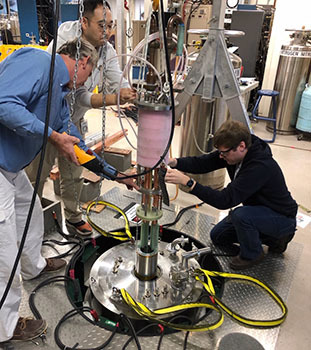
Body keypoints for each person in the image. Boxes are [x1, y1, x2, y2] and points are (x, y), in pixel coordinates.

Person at [0, 38, 137, 345]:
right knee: (3, 250)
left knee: (30, 210)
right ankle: (5, 328)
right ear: (83, 62)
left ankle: (33, 265)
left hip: (8, 170)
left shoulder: (60, 98)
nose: (90, 81)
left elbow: (77, 145)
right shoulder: (37, 62)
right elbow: (2, 103)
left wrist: (118, 176)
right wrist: (50, 136)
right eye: (92, 73)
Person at [26, 0, 137, 236]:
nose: (106, 32)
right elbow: (77, 93)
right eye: (101, 25)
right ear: (83, 22)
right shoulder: (67, 43)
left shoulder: (106, 48)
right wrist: (112, 99)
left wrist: (131, 94)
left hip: (71, 120)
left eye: (110, 25)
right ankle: (25, 224)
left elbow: (117, 83)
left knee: (74, 171)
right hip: (44, 121)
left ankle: (74, 217)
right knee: (35, 178)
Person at [165, 120, 298, 270]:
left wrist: (190, 184)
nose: (221, 156)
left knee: (240, 215)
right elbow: (203, 163)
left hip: (281, 217)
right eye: (220, 152)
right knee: (218, 236)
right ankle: (271, 238)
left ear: (241, 146)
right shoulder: (234, 153)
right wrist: (173, 162)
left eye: (224, 152)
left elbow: (225, 200)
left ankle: (255, 253)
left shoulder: (260, 166)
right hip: (258, 211)